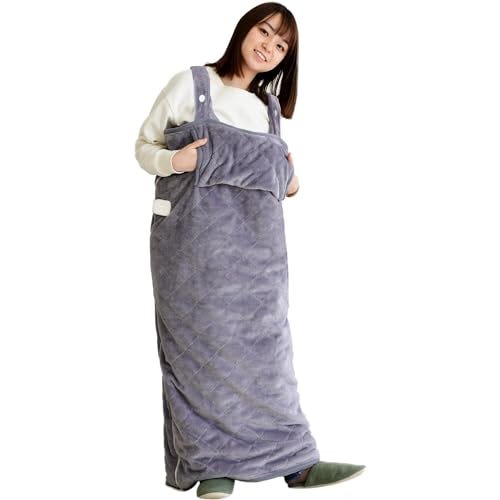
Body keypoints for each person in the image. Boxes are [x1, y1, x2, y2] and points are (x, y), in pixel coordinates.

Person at [135, 3, 365, 498]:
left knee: (268, 354)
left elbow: (283, 182)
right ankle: (213, 468)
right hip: (190, 251)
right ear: (245, 29)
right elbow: (144, 147)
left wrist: (291, 178)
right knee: (196, 353)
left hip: (260, 258)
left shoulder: (268, 110)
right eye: (264, 32)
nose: (269, 47)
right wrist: (175, 160)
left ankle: (296, 463)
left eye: (281, 45)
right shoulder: (191, 84)